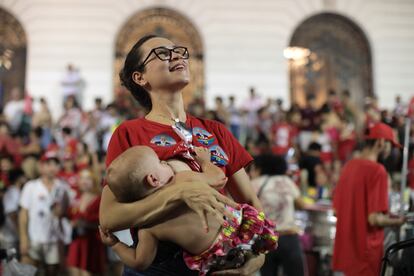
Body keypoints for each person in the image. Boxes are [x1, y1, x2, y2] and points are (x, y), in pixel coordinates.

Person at [99, 34, 265, 276]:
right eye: (163, 53)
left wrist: (257, 255)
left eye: (178, 51)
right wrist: (179, 193)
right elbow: (109, 217)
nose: (176, 55)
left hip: (219, 262)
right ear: (140, 77)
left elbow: (250, 202)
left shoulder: (216, 130)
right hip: (157, 262)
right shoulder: (129, 132)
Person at [100, 145, 277, 275]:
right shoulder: (182, 180)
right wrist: (205, 162)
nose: (165, 162)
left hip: (217, 259)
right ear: (153, 179)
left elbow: (140, 262)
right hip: (238, 228)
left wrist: (116, 245)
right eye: (160, 162)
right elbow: (218, 178)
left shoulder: (147, 228)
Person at [332, 122, 406, 276]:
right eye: (389, 144)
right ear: (380, 142)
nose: (390, 150)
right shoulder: (377, 170)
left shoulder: (348, 167)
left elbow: (336, 211)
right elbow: (374, 219)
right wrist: (399, 221)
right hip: (365, 257)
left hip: (344, 256)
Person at [251, 154, 306, 276]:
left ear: (260, 168)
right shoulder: (286, 181)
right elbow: (301, 204)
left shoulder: (255, 184)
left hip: (266, 239)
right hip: (289, 237)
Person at [19, 151, 71, 276]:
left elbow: (65, 213)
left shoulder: (63, 187)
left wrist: (61, 211)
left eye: (55, 164)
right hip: (34, 238)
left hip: (54, 239)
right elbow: (23, 214)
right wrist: (23, 238)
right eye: (48, 163)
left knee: (52, 271)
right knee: (29, 271)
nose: (52, 167)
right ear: (41, 166)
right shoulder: (30, 186)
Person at [67, 168, 105, 276]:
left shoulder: (100, 199)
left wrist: (85, 224)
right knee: (74, 270)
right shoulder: (76, 197)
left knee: (87, 272)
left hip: (92, 242)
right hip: (76, 240)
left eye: (88, 178)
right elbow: (70, 216)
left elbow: (103, 221)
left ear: (94, 180)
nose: (84, 181)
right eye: (82, 178)